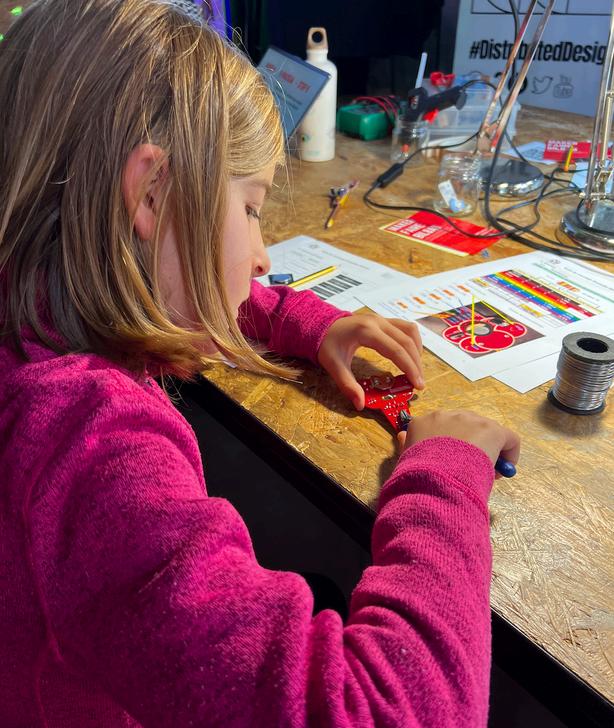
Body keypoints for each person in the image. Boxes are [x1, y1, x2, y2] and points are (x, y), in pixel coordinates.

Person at [0, 1, 520, 726]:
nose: (263, 253)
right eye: (250, 208)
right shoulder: (93, 452)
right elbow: (394, 711)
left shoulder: (31, 306)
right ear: (151, 192)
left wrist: (311, 323)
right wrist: (446, 476)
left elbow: (160, 279)